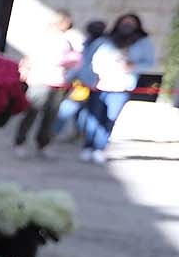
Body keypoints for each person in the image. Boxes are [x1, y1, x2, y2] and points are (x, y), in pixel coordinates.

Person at [78, 13, 159, 163]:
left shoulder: (143, 43)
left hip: (122, 86)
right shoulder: (106, 40)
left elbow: (149, 62)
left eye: (131, 23)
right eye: (124, 22)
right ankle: (88, 145)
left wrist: (133, 66)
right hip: (100, 85)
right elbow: (92, 59)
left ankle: (100, 147)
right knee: (94, 117)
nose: (127, 26)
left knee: (110, 117)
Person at [13, 10, 81, 156]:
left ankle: (42, 144)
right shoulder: (44, 38)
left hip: (58, 82)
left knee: (50, 116)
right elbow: (54, 58)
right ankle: (20, 141)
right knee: (31, 112)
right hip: (40, 81)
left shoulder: (66, 40)